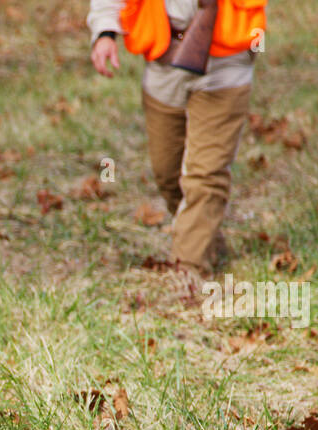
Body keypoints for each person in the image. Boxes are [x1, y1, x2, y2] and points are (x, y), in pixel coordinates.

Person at [88, 0, 267, 280]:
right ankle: (206, 242)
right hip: (164, 60)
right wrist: (104, 33)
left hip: (226, 64)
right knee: (168, 174)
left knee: (204, 175)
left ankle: (188, 272)